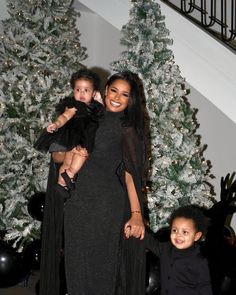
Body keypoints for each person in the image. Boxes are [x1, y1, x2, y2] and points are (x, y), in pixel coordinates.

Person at [63, 71, 148, 295]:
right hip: (77, 201)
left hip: (105, 205)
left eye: (125, 94)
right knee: (76, 266)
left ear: (131, 100)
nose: (117, 98)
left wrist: (137, 213)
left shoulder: (126, 127)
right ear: (104, 90)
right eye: (114, 91)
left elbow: (131, 173)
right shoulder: (88, 115)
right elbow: (57, 154)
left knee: (100, 268)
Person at [34, 68, 103, 190]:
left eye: (86, 90)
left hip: (88, 137)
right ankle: (62, 182)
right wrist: (56, 124)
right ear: (73, 91)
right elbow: (65, 117)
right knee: (70, 160)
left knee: (79, 156)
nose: (81, 93)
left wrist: (100, 100)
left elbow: (104, 116)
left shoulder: (96, 107)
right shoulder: (74, 105)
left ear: (93, 93)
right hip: (75, 135)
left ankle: (69, 175)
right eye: (78, 89)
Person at [145, 205, 213, 295]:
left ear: (196, 236)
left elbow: (205, 286)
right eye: (174, 230)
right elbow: (151, 242)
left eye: (185, 232)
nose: (178, 235)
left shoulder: (199, 261)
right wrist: (137, 230)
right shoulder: (165, 249)